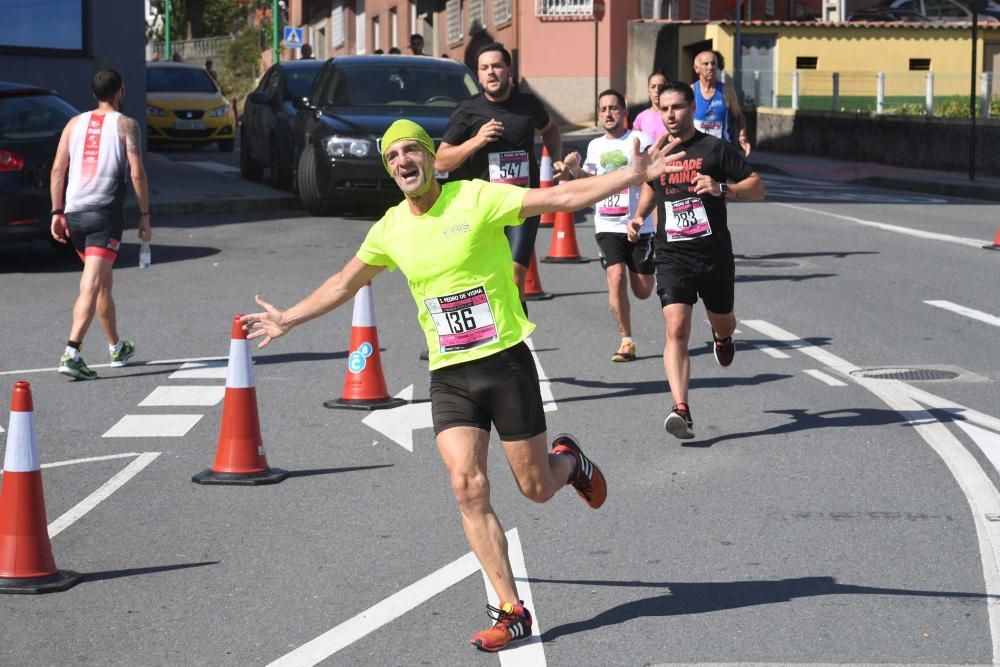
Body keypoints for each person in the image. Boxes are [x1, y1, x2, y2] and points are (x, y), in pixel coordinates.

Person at [242, 118, 684, 653]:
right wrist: (288, 318)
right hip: (449, 373)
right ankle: (511, 610)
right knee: (466, 485)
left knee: (535, 488)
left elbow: (562, 196)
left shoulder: (475, 199)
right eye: (392, 157)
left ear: (431, 158)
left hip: (504, 362)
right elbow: (343, 282)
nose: (403, 161)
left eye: (411, 151)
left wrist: (630, 177)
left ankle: (570, 462)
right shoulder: (389, 228)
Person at [628, 81, 764, 440]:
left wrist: (724, 189)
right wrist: (640, 215)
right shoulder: (659, 151)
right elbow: (649, 186)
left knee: (724, 321)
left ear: (692, 109)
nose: (670, 115)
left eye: (678, 107)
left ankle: (722, 338)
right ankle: (681, 409)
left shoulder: (716, 149)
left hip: (714, 253)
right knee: (676, 328)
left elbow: (757, 185)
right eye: (665, 109)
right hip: (672, 253)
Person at [437, 42, 563, 317]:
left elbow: (551, 129)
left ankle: (517, 347)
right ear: (478, 76)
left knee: (516, 276)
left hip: (520, 204)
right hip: (479, 208)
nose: (491, 73)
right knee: (477, 280)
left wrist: (556, 159)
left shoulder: (527, 105)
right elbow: (441, 160)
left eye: (496, 66)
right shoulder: (468, 111)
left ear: (508, 70)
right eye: (485, 68)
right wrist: (476, 141)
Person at [49, 69, 152, 380]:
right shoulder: (127, 125)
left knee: (103, 282)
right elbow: (136, 173)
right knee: (91, 284)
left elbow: (57, 170)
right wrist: (145, 215)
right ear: (120, 91)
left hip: (75, 213)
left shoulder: (73, 124)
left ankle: (116, 346)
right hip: (104, 215)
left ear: (95, 93)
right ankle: (72, 351)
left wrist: (56, 212)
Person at [561, 90, 655, 363]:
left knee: (643, 290)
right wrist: (576, 171)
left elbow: (652, 181)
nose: (608, 114)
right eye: (603, 109)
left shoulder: (640, 140)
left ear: (624, 112)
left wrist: (638, 216)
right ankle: (626, 341)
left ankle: (653, 266)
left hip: (639, 226)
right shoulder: (595, 146)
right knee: (615, 279)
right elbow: (592, 181)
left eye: (614, 108)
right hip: (606, 224)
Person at [691, 51, 751, 157]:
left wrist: (742, 135)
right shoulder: (691, 91)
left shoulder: (727, 91)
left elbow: (739, 117)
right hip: (698, 152)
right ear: (696, 68)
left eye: (713, 64)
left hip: (722, 151)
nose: (710, 67)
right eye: (706, 64)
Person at [632, 70, 668, 141]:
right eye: (653, 87)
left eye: (661, 86)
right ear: (648, 91)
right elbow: (633, 144)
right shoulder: (641, 117)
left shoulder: (673, 115)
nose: (657, 90)